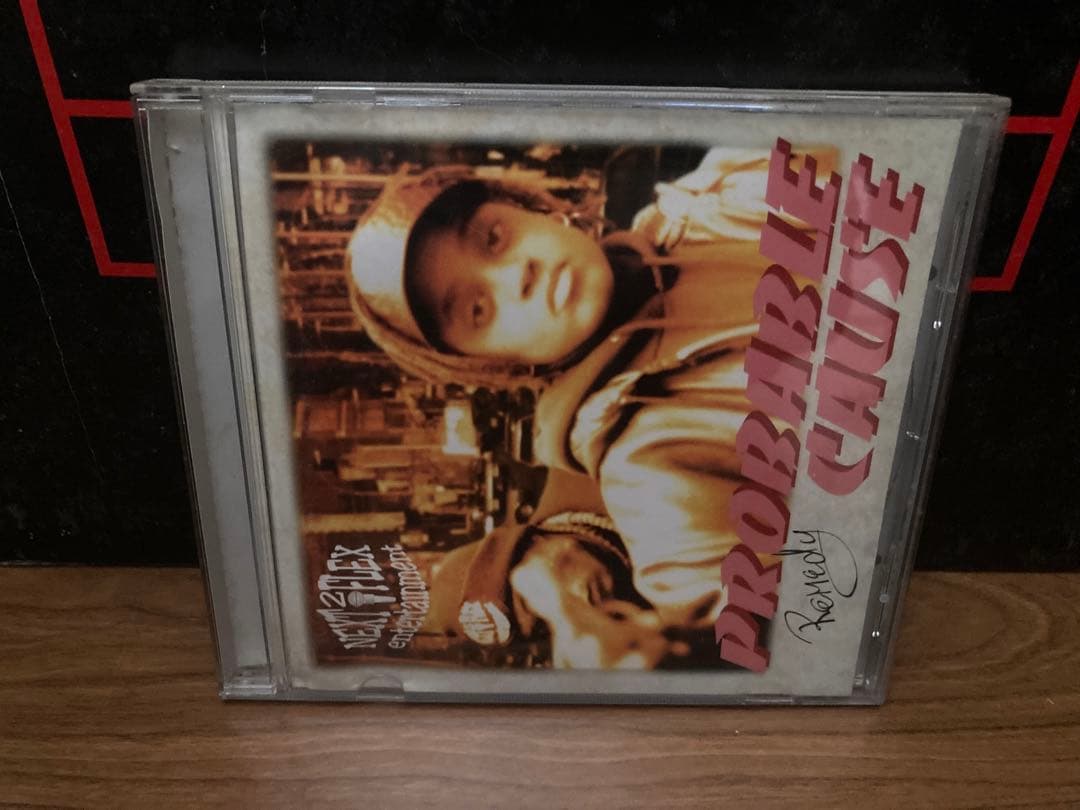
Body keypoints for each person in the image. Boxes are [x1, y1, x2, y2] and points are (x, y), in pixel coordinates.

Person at [347, 145, 836, 650]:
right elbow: (785, 633)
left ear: (529, 209)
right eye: (478, 309)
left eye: (493, 238)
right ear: (491, 364)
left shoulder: (711, 195)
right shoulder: (649, 470)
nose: (517, 275)